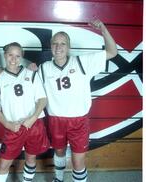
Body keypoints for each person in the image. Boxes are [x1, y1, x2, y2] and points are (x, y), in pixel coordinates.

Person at [38, 19, 118, 182]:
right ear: (51, 46)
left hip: (78, 121)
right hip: (55, 119)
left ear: (69, 47)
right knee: (59, 153)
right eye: (55, 43)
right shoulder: (44, 68)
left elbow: (113, 52)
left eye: (63, 43)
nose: (58, 47)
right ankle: (59, 178)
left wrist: (103, 28)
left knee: (77, 160)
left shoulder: (82, 62)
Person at [0, 42, 50, 182]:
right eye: (10, 55)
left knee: (31, 157)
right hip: (13, 127)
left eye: (17, 55)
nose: (13, 59)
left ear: (22, 57)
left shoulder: (31, 74)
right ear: (5, 55)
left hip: (34, 124)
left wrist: (33, 118)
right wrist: (8, 125)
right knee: (4, 163)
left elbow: (42, 99)